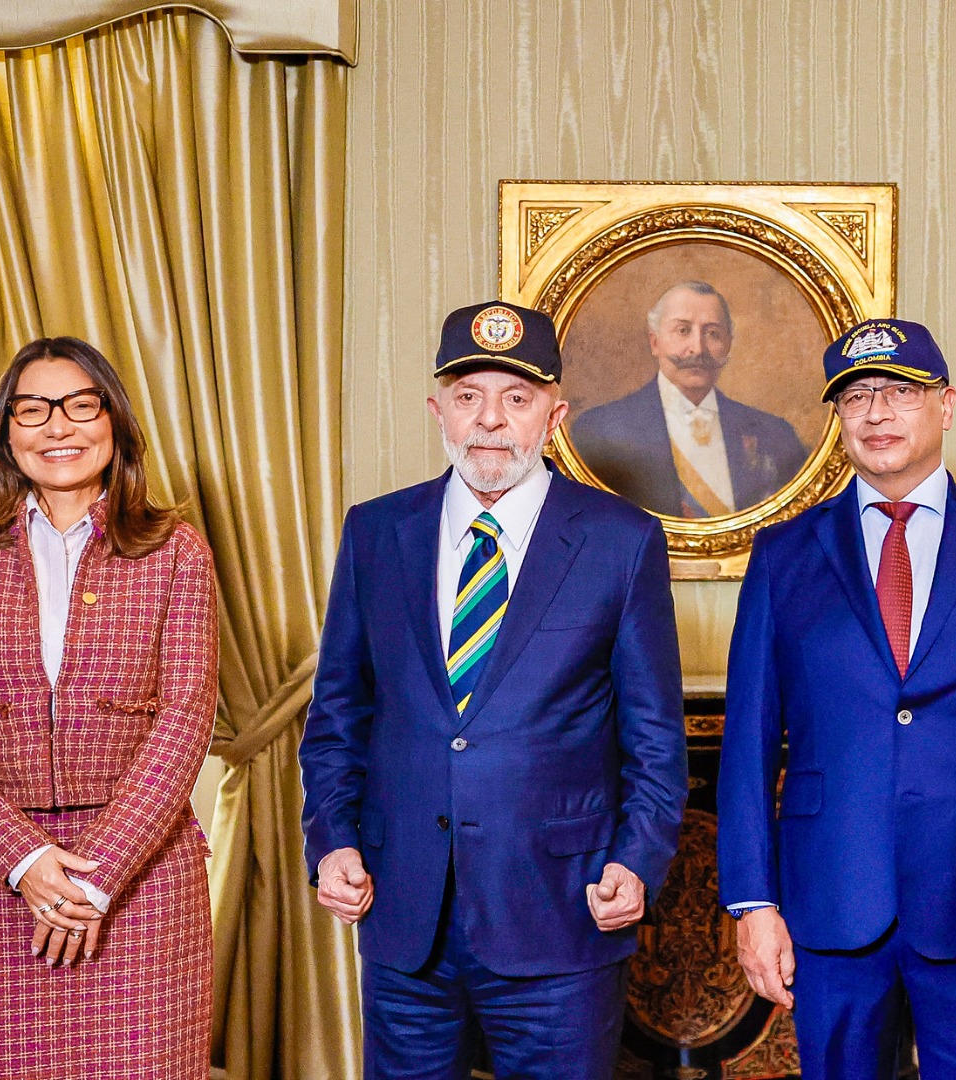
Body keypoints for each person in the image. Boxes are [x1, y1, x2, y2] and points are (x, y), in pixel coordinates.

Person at [300, 301, 688, 1079]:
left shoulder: (621, 539)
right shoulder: (376, 532)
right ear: (438, 408)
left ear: (554, 414)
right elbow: (339, 713)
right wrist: (331, 838)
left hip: (561, 913)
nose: (490, 421)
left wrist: (637, 861)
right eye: (470, 395)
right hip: (404, 912)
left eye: (517, 399)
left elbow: (654, 737)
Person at [717, 318, 956, 1078]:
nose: (877, 413)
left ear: (945, 406)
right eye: (856, 397)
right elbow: (746, 747)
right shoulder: (784, 557)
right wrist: (752, 904)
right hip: (831, 905)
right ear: (839, 419)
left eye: (900, 392)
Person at [0, 336, 218, 1078]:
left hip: (142, 880)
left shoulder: (176, 552)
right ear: (7, 430)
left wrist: (94, 876)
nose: (58, 427)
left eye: (80, 405)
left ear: (115, 423)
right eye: (33, 409)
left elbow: (185, 718)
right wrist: (25, 859)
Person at [571, 280, 808, 517]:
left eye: (713, 333)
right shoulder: (599, 431)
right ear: (655, 342)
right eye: (683, 330)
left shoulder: (776, 435)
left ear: (728, 344)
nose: (698, 348)